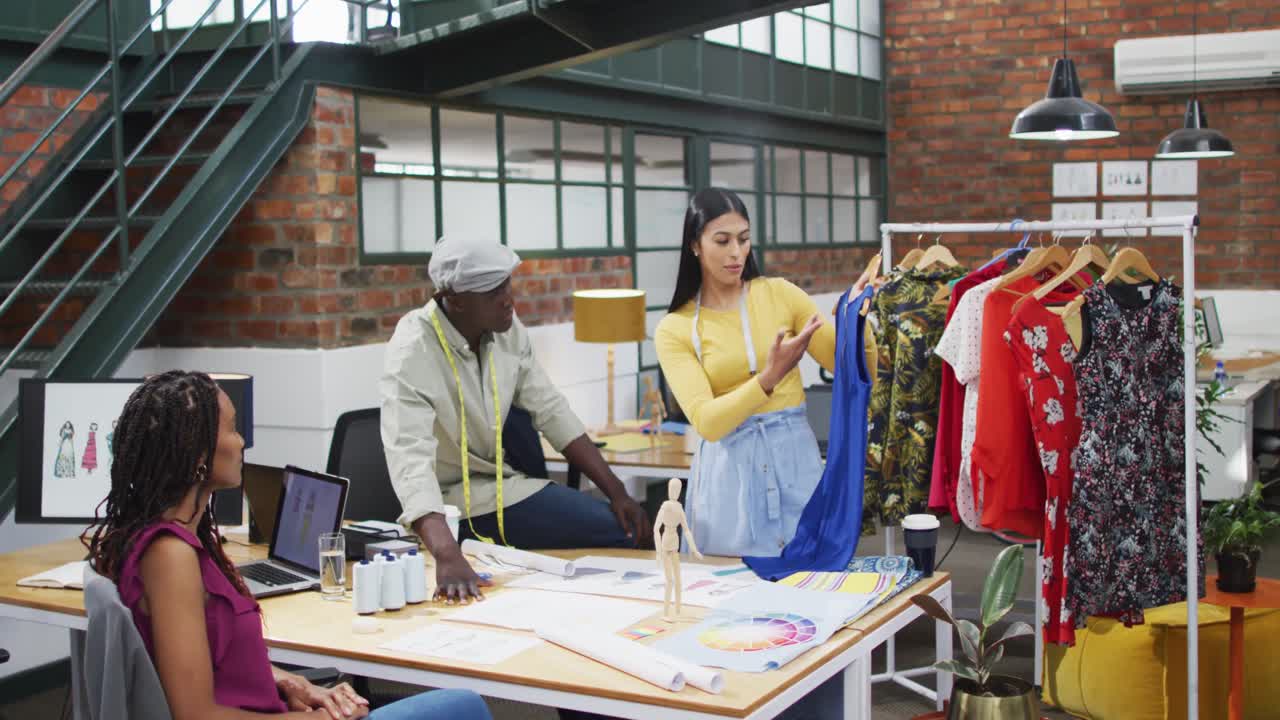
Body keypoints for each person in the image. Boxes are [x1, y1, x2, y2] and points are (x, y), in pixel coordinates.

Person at [83, 370, 492, 720]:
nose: (242, 442)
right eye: (232, 429)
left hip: (276, 708)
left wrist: (287, 679)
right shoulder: (170, 556)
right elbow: (197, 715)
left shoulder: (180, 539)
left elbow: (216, 660)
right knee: (464, 706)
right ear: (197, 455)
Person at [381, 237, 654, 603]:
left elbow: (551, 409)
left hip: (506, 488)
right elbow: (409, 460)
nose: (508, 299)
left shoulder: (507, 328)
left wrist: (618, 492)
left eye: (507, 284)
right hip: (449, 509)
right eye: (493, 291)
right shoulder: (412, 350)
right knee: (619, 535)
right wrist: (447, 555)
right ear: (455, 298)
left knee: (634, 527)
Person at [654, 188, 837, 558]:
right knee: (732, 589)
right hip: (730, 479)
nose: (736, 252)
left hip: (795, 463)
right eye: (722, 241)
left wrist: (858, 313)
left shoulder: (781, 295)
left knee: (813, 580)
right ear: (695, 245)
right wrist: (768, 379)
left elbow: (847, 366)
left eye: (743, 239)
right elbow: (708, 422)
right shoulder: (675, 328)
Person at [653, 477, 701, 621]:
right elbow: (656, 529)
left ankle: (678, 610)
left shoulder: (679, 507)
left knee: (679, 580)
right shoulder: (665, 506)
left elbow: (686, 530)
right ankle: (666, 613)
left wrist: (694, 549)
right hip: (666, 543)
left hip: (674, 544)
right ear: (668, 489)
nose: (674, 491)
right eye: (672, 488)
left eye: (677, 489)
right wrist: (658, 552)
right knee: (670, 581)